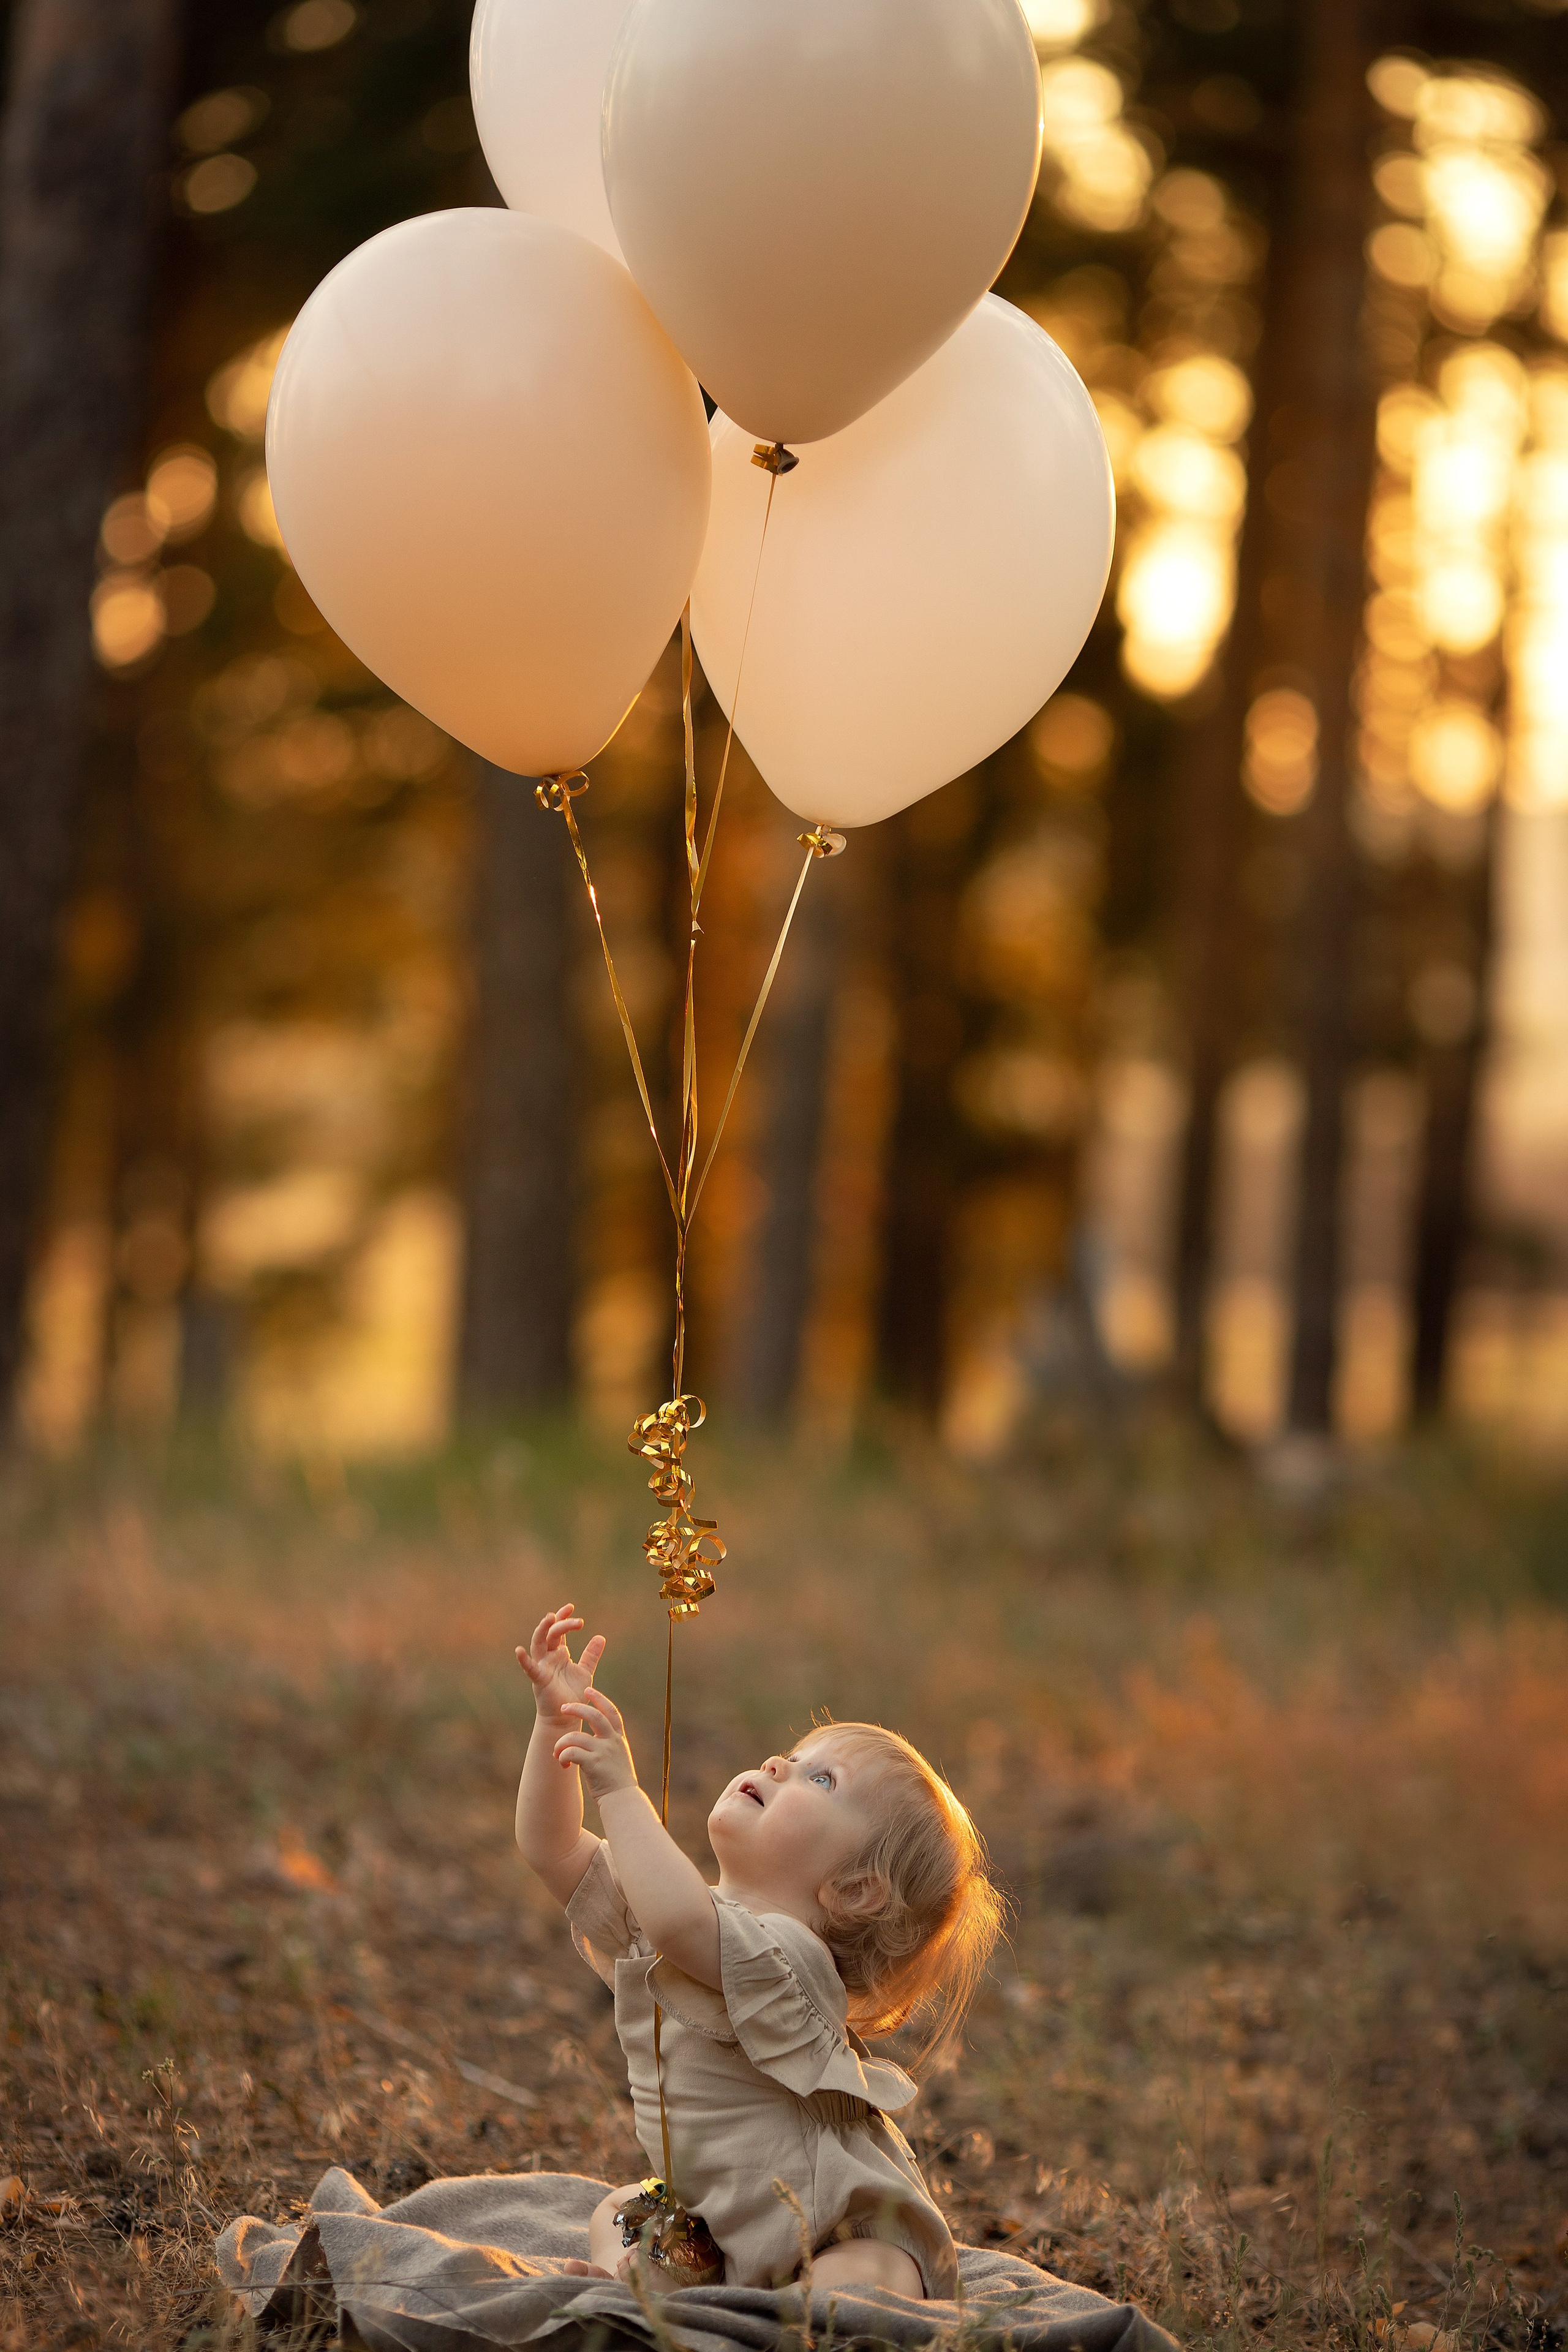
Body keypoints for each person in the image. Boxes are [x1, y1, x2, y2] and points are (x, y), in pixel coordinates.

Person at [513, 1603, 1005, 2302]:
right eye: (796, 1756)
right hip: (719, 2225)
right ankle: (647, 2282)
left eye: (821, 1781)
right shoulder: (682, 1912)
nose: (780, 1762)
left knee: (863, 2280)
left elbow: (684, 1924)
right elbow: (552, 1848)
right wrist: (552, 1727)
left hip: (838, 2230)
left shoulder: (788, 1958)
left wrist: (621, 1790)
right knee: (623, 2208)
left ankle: (801, 2317)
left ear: (854, 1889)